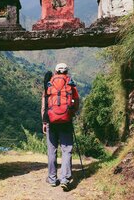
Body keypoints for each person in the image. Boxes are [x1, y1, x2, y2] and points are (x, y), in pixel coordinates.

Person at [41, 63, 79, 191]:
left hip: (51, 121)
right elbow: (76, 101)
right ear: (66, 71)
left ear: (56, 71)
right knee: (66, 150)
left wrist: (44, 122)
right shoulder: (70, 83)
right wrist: (71, 113)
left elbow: (45, 104)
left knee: (52, 151)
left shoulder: (49, 83)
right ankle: (65, 179)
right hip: (66, 121)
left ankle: (52, 179)